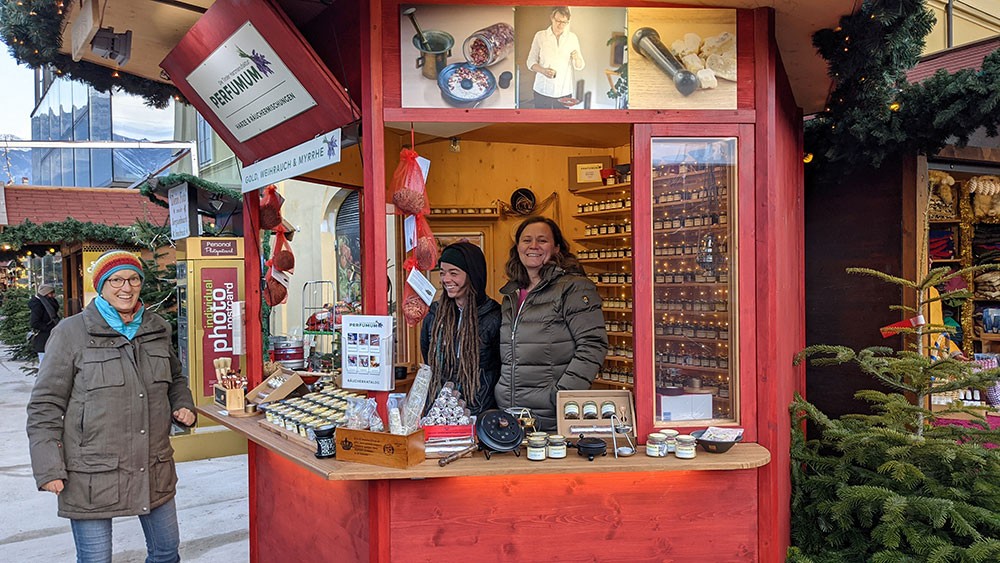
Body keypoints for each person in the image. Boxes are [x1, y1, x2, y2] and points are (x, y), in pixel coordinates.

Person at [27, 250, 196, 563]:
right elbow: (44, 406)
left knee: (167, 554)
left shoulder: (156, 328)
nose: (126, 287)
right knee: (95, 560)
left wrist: (183, 404)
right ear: (101, 286)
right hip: (91, 472)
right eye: (116, 279)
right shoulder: (71, 332)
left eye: (133, 279)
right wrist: (49, 467)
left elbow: (175, 379)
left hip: (152, 465)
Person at [496, 217, 608, 430]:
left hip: (550, 416)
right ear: (518, 247)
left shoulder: (574, 288)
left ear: (557, 248)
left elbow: (593, 345)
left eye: (542, 240)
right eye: (526, 240)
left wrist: (562, 396)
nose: (533, 246)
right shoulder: (511, 294)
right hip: (510, 413)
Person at [420, 242, 502, 416]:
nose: (446, 279)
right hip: (438, 413)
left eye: (453, 273)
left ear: (473, 274)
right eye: (442, 273)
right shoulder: (435, 315)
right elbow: (427, 355)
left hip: (479, 412)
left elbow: (500, 368)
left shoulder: (494, 316)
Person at [526, 6, 585, 109]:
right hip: (542, 90)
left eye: (564, 22)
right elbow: (530, 62)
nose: (560, 25)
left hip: (564, 91)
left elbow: (580, 66)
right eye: (558, 20)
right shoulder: (540, 36)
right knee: (542, 122)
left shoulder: (572, 38)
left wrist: (576, 58)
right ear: (552, 18)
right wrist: (543, 71)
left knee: (562, 123)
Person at [28, 283, 60, 363]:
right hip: (43, 339)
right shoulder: (38, 305)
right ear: (46, 293)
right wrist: (49, 328)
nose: (53, 295)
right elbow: (34, 323)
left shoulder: (49, 304)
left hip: (51, 337)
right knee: (44, 364)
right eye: (51, 293)